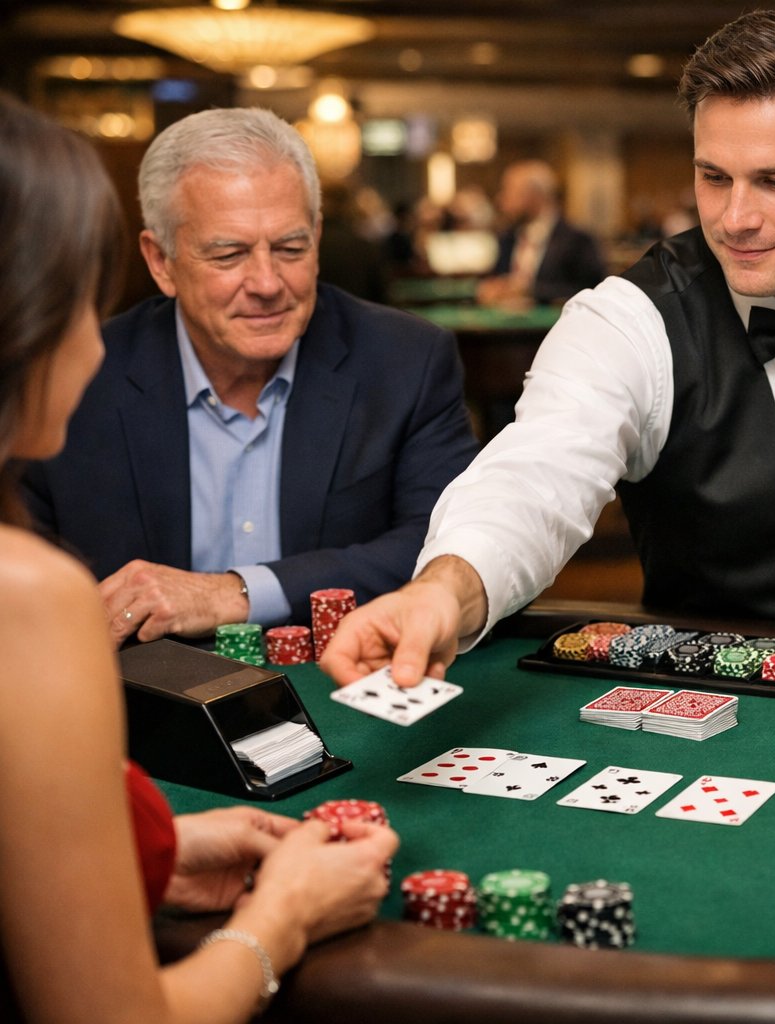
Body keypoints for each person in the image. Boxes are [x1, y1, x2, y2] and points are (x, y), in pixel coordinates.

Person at [322, 8, 775, 687]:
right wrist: (444, 590)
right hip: (699, 699)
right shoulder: (628, 318)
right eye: (713, 177)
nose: (734, 217)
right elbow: (535, 477)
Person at [0, 94, 396, 1024]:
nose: (100, 339)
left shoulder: (397, 356)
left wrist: (157, 850)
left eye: (289, 247)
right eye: (82, 302)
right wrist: (284, 917)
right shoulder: (29, 592)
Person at [21, 107, 480, 647]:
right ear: (161, 261)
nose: (266, 283)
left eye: (290, 248)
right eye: (229, 254)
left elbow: (447, 549)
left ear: (317, 238)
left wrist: (237, 593)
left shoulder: (406, 360)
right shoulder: (74, 378)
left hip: (343, 683)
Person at [475, 159, 607, 307]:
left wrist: (531, 291)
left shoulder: (578, 241)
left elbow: (592, 292)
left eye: (509, 191)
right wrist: (494, 288)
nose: (501, 199)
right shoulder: (507, 238)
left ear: (535, 196)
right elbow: (498, 279)